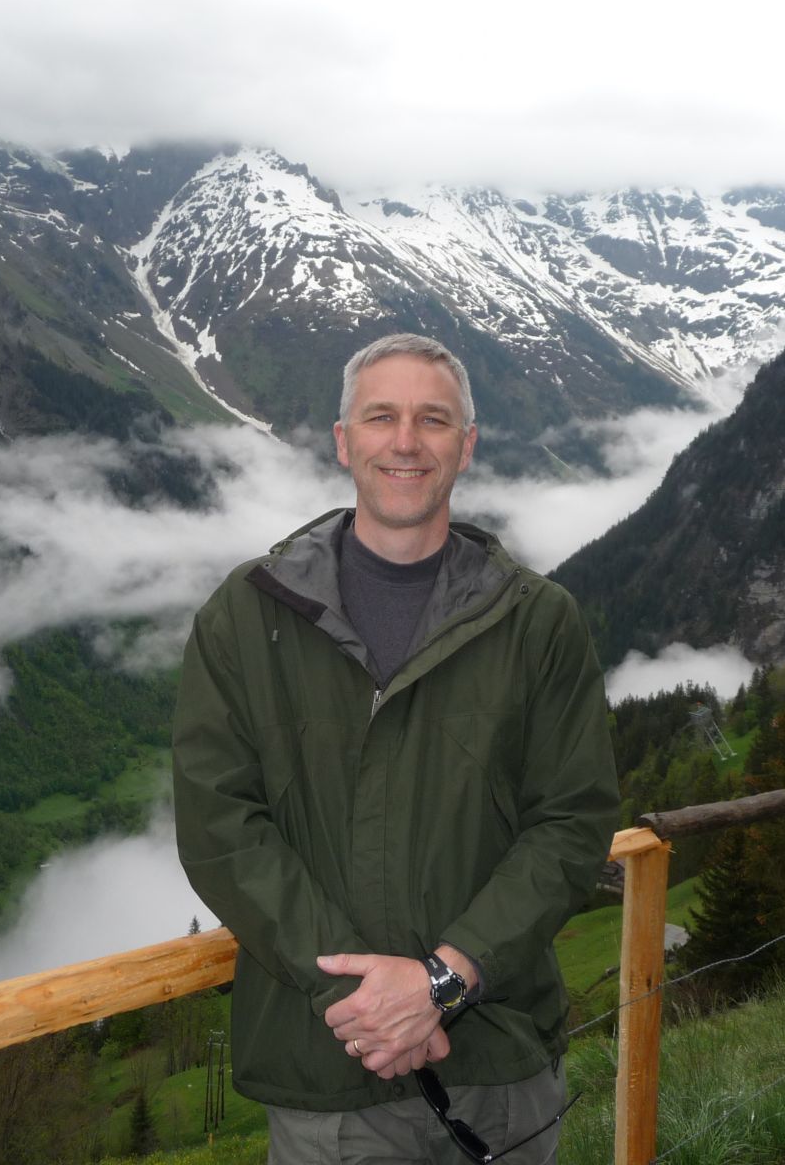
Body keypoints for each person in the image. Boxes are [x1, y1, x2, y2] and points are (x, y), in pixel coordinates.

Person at [172, 333, 619, 1164]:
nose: (406, 442)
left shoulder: (537, 622)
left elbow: (570, 822)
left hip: (499, 1067)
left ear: (466, 445)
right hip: (330, 1073)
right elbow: (219, 825)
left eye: (433, 420)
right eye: (381, 417)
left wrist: (446, 980)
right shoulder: (245, 615)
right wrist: (369, 1001)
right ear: (345, 441)